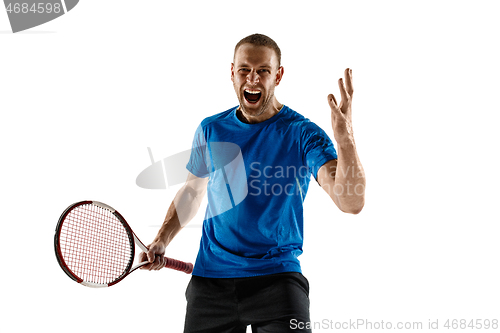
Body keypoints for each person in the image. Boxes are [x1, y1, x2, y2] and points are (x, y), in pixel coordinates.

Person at [139, 33, 366, 333]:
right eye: (245, 70)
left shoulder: (303, 134)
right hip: (212, 279)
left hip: (278, 278)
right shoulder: (211, 129)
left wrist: (345, 139)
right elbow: (192, 193)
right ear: (232, 73)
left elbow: (350, 202)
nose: (253, 79)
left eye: (263, 71)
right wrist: (162, 239)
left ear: (279, 76)